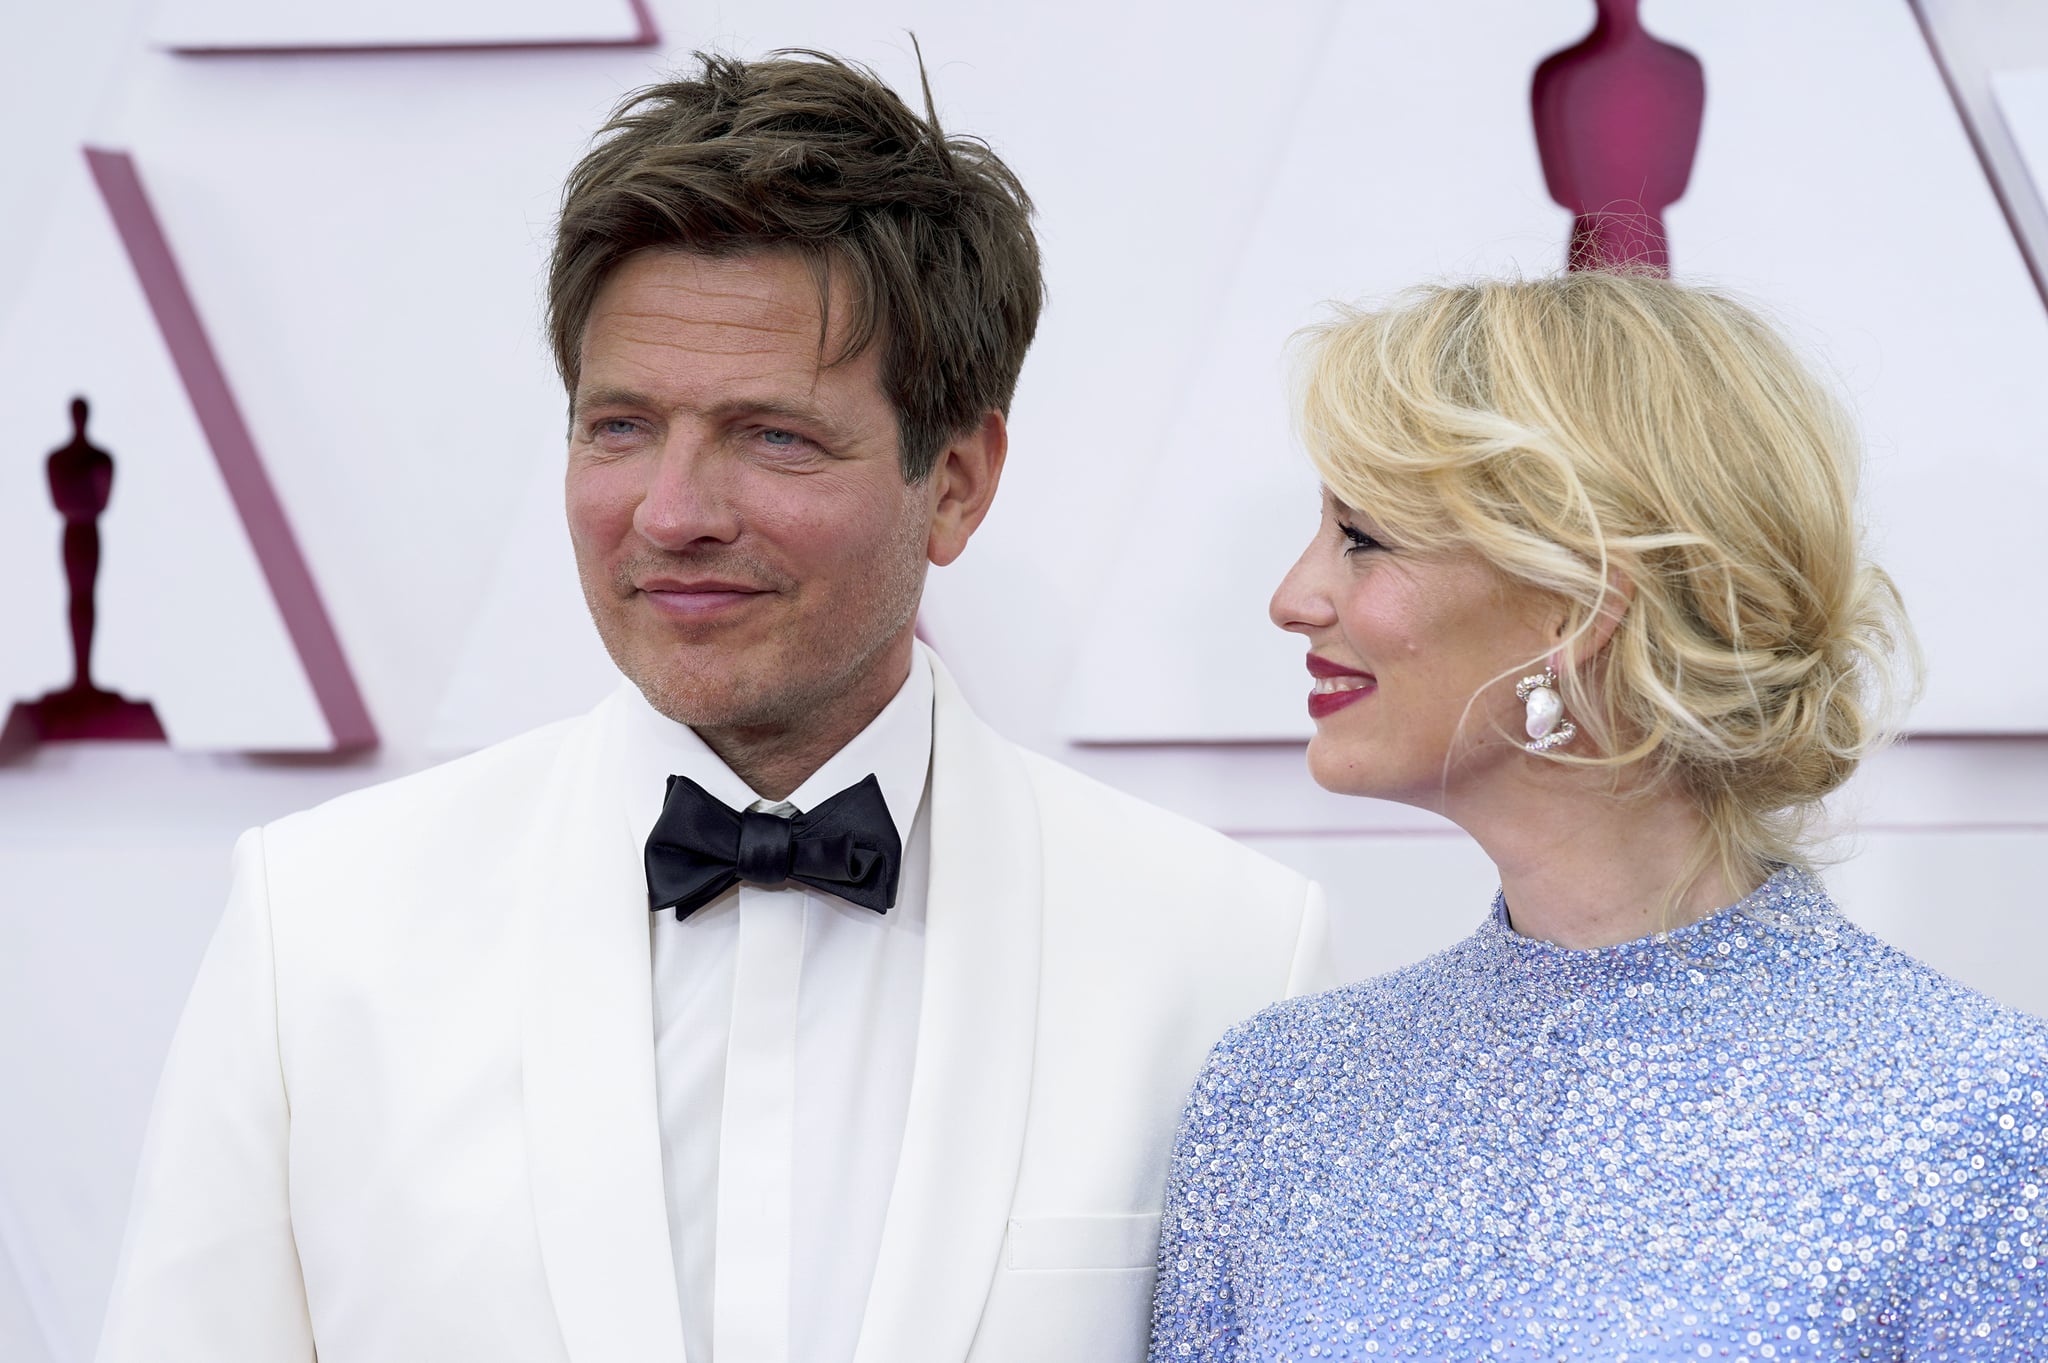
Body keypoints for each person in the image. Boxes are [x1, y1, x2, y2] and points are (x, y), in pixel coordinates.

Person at [96, 50, 1332, 1363]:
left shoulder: (1227, 957)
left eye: (774, 436)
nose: (674, 514)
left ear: (958, 480)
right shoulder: (322, 923)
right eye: (619, 427)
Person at [1148, 272, 2047, 1360]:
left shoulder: (1977, 1116)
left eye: (1363, 535)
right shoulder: (1277, 1102)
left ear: (1575, 600)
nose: (1292, 596)